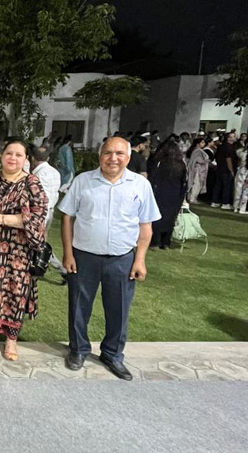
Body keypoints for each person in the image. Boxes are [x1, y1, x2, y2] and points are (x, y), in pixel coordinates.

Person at [58, 137, 160, 380]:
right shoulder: (83, 181)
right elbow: (67, 218)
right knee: (79, 306)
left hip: (122, 259)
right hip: (84, 257)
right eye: (108, 153)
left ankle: (113, 354)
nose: (113, 158)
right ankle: (79, 349)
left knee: (119, 309)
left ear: (128, 157)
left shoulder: (140, 185)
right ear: (100, 156)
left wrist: (140, 259)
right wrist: (68, 253)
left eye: (119, 153)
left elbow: (145, 226)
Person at [0, 138, 48, 361]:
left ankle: (11, 340)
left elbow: (38, 216)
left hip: (19, 249)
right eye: (9, 153)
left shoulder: (31, 183)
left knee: (16, 290)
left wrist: (2, 218)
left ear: (26, 159)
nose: (13, 158)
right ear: (1, 155)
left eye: (19, 155)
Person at [29, 145, 67, 282]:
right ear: (48, 158)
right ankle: (57, 268)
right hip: (49, 211)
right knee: (41, 242)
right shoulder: (55, 172)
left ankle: (52, 267)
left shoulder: (36, 176)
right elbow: (55, 194)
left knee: (38, 243)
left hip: (39, 214)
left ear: (32, 158)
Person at [149, 140, 188, 248]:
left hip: (160, 193)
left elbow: (153, 178)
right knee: (171, 218)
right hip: (175, 194)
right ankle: (165, 241)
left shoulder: (159, 163)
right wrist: (182, 196)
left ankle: (155, 241)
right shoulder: (181, 164)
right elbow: (184, 182)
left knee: (157, 217)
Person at [211, 132, 238, 209]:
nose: (235, 137)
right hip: (226, 170)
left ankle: (214, 201)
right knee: (227, 187)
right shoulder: (229, 147)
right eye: (233, 136)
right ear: (229, 138)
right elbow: (228, 160)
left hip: (220, 168)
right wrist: (231, 170)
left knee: (218, 185)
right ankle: (225, 203)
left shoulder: (222, 146)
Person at [186, 136, 209, 202]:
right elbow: (198, 160)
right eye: (202, 142)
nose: (204, 144)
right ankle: (193, 198)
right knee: (197, 184)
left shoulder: (196, 150)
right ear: (197, 144)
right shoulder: (198, 151)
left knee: (195, 184)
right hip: (198, 171)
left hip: (197, 170)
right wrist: (206, 161)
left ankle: (191, 197)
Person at [233, 138, 247, 213]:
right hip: (244, 171)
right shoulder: (243, 152)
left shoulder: (242, 152)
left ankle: (236, 206)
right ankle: (242, 208)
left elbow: (238, 152)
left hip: (241, 171)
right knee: (245, 191)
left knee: (238, 190)